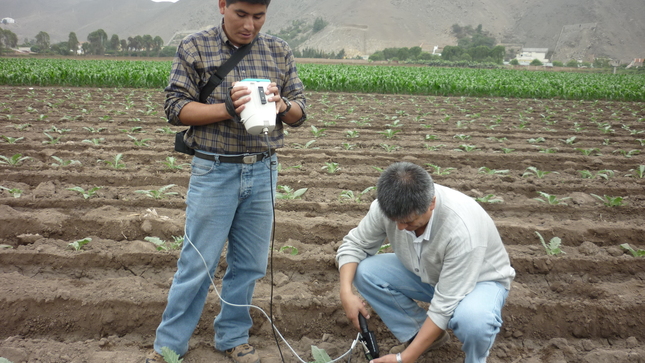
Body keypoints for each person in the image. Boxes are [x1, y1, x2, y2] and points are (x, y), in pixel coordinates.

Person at [146, 0, 306, 362]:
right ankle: (169, 347)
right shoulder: (195, 46)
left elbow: (300, 112)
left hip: (263, 168)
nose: (250, 25)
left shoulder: (278, 50)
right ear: (222, 5)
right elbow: (175, 108)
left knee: (249, 264)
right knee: (196, 264)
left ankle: (233, 336)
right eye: (241, 15)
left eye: (259, 16)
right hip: (214, 169)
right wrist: (228, 109)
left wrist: (281, 105)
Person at [337, 162, 515, 363]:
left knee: (474, 322)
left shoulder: (461, 230)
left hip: (479, 282)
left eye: (410, 222)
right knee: (364, 272)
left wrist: (404, 358)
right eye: (396, 221)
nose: (402, 228)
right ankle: (426, 336)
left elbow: (444, 305)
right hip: (428, 273)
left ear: (432, 203)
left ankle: (475, 359)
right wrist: (346, 293)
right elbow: (354, 245)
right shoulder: (386, 207)